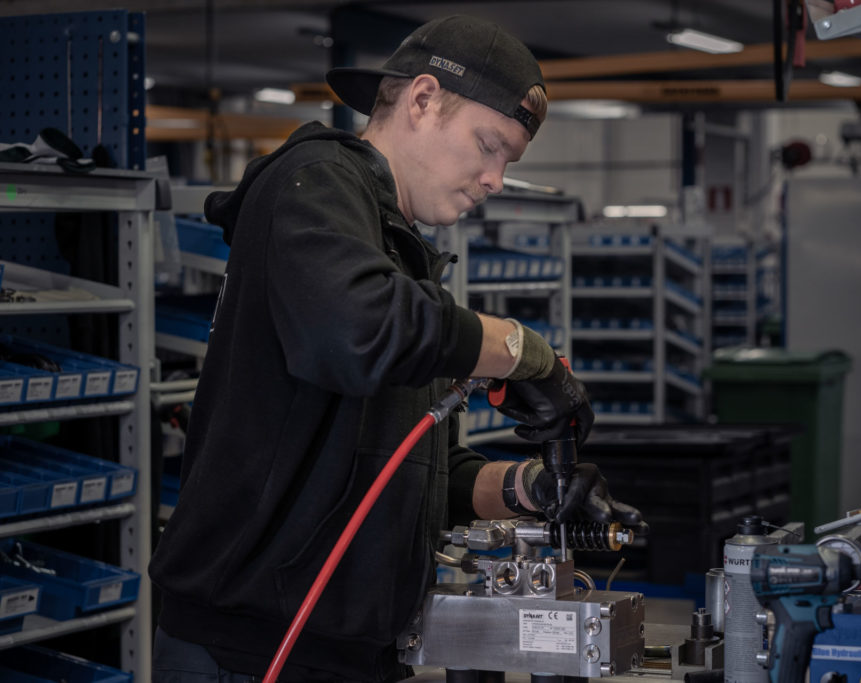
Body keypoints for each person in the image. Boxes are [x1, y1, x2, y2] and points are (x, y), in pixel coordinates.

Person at [149, 14, 643, 683]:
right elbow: (355, 330)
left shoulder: (398, 254)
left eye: (509, 160)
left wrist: (527, 487)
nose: (496, 178)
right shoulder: (316, 179)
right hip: (250, 648)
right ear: (422, 100)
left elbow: (405, 463)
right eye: (489, 144)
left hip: (355, 652)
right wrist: (523, 350)